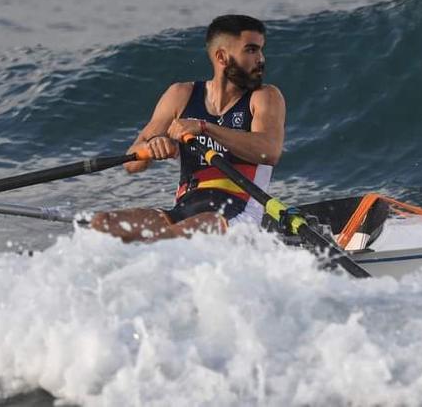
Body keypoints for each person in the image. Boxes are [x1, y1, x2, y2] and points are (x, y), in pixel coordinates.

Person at [90, 14, 285, 241]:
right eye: (251, 50)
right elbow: (132, 164)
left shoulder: (264, 97)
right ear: (222, 57)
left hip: (238, 215)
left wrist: (204, 127)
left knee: (177, 235)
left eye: (261, 50)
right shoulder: (181, 95)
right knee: (103, 224)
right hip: (183, 210)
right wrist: (153, 146)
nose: (261, 58)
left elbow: (268, 152)